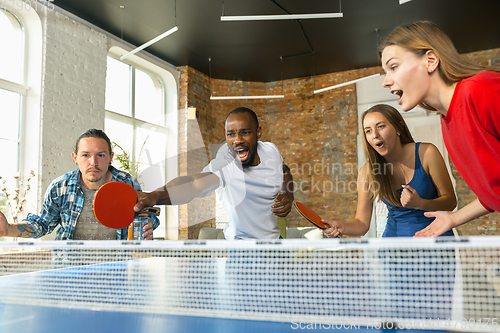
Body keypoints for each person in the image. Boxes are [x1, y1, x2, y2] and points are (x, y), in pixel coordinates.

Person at [378, 20, 500, 237]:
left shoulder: (483, 90)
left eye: (393, 67)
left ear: (431, 60)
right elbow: (495, 193)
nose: (385, 82)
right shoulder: (447, 123)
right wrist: (454, 218)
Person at [134, 107, 294, 240]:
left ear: (258, 132)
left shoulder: (270, 150)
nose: (237, 140)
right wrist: (155, 195)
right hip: (241, 251)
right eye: (231, 134)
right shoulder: (226, 164)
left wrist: (288, 194)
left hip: (275, 244)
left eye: (245, 132)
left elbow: (284, 170)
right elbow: (193, 184)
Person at [322, 104, 456, 238]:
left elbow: (450, 202)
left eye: (380, 126)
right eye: (368, 131)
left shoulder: (427, 153)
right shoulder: (367, 172)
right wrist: (342, 227)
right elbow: (362, 223)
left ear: (398, 127)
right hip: (393, 248)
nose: (375, 135)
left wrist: (421, 203)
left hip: (435, 241)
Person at [0, 129, 159, 240]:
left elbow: (146, 216)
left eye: (100, 155)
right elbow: (42, 225)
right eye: (86, 155)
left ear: (110, 157)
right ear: (75, 157)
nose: (93, 162)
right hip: (69, 272)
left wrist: (150, 224)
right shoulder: (60, 187)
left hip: (117, 271)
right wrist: (8, 229)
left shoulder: (128, 183)